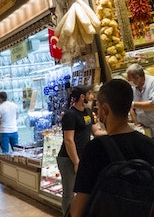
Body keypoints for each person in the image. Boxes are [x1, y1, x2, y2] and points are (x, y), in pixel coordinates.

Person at [70, 79, 154, 217]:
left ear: (105, 109)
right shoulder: (150, 146)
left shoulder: (94, 149)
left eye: (99, 106)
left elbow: (78, 211)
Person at [57, 86, 104, 217]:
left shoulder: (88, 112)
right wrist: (76, 162)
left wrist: (111, 132)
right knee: (69, 192)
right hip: (68, 158)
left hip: (83, 158)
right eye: (90, 94)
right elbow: (68, 141)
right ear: (82, 97)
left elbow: (96, 131)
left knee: (83, 191)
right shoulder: (70, 115)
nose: (92, 97)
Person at [126, 63, 154, 161]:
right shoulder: (133, 88)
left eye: (130, 79)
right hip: (145, 130)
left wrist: (132, 104)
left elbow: (153, 105)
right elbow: (131, 108)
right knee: (148, 159)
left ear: (137, 78)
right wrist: (136, 122)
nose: (129, 82)